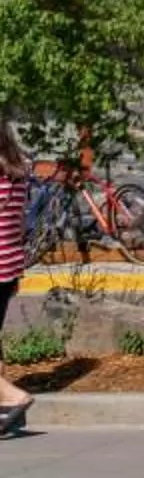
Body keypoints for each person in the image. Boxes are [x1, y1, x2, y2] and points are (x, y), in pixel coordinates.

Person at [0, 123, 31, 435]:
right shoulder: (18, 174)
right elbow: (20, 224)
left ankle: (15, 397)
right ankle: (5, 412)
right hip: (9, 266)